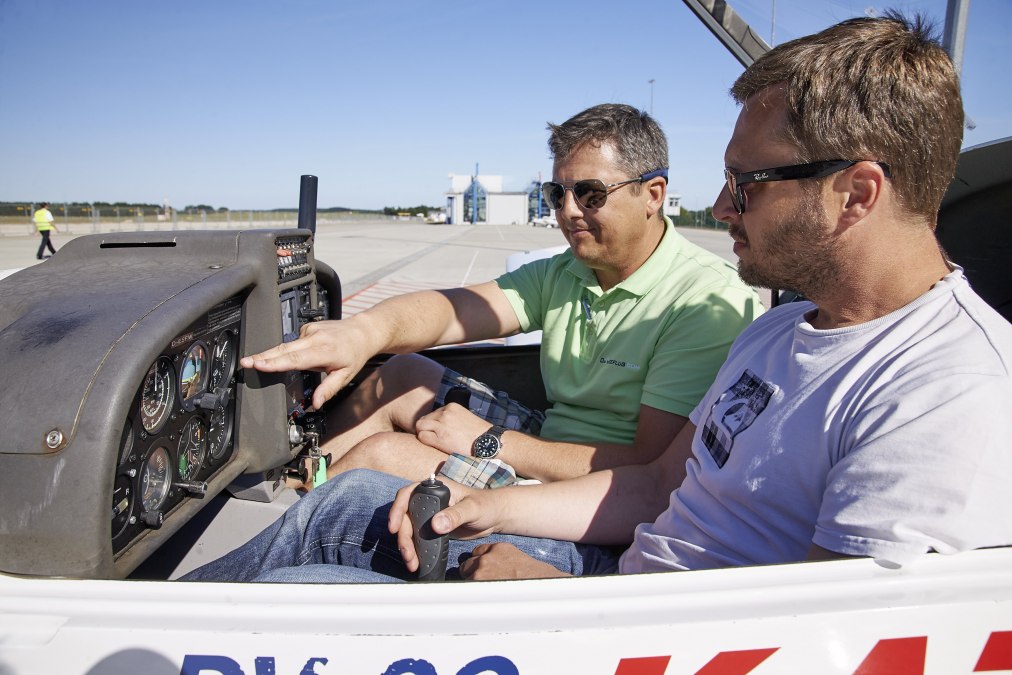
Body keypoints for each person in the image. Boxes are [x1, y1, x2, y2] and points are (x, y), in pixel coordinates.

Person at [184, 13, 1012, 585]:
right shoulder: (786, 329)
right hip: (625, 567)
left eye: (748, 184)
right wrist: (486, 504)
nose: (721, 210)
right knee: (328, 516)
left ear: (857, 194)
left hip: (623, 617)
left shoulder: (943, 395)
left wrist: (549, 593)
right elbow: (657, 490)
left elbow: (816, 642)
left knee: (300, 588)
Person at [247, 103, 761, 488]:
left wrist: (487, 441)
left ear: (653, 194)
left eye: (590, 194)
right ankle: (305, 490)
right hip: (548, 439)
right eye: (556, 193)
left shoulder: (702, 300)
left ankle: (302, 538)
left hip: (597, 485)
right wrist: (366, 331)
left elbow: (647, 467)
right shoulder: (566, 272)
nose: (567, 211)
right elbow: (456, 311)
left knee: (385, 454)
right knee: (401, 374)